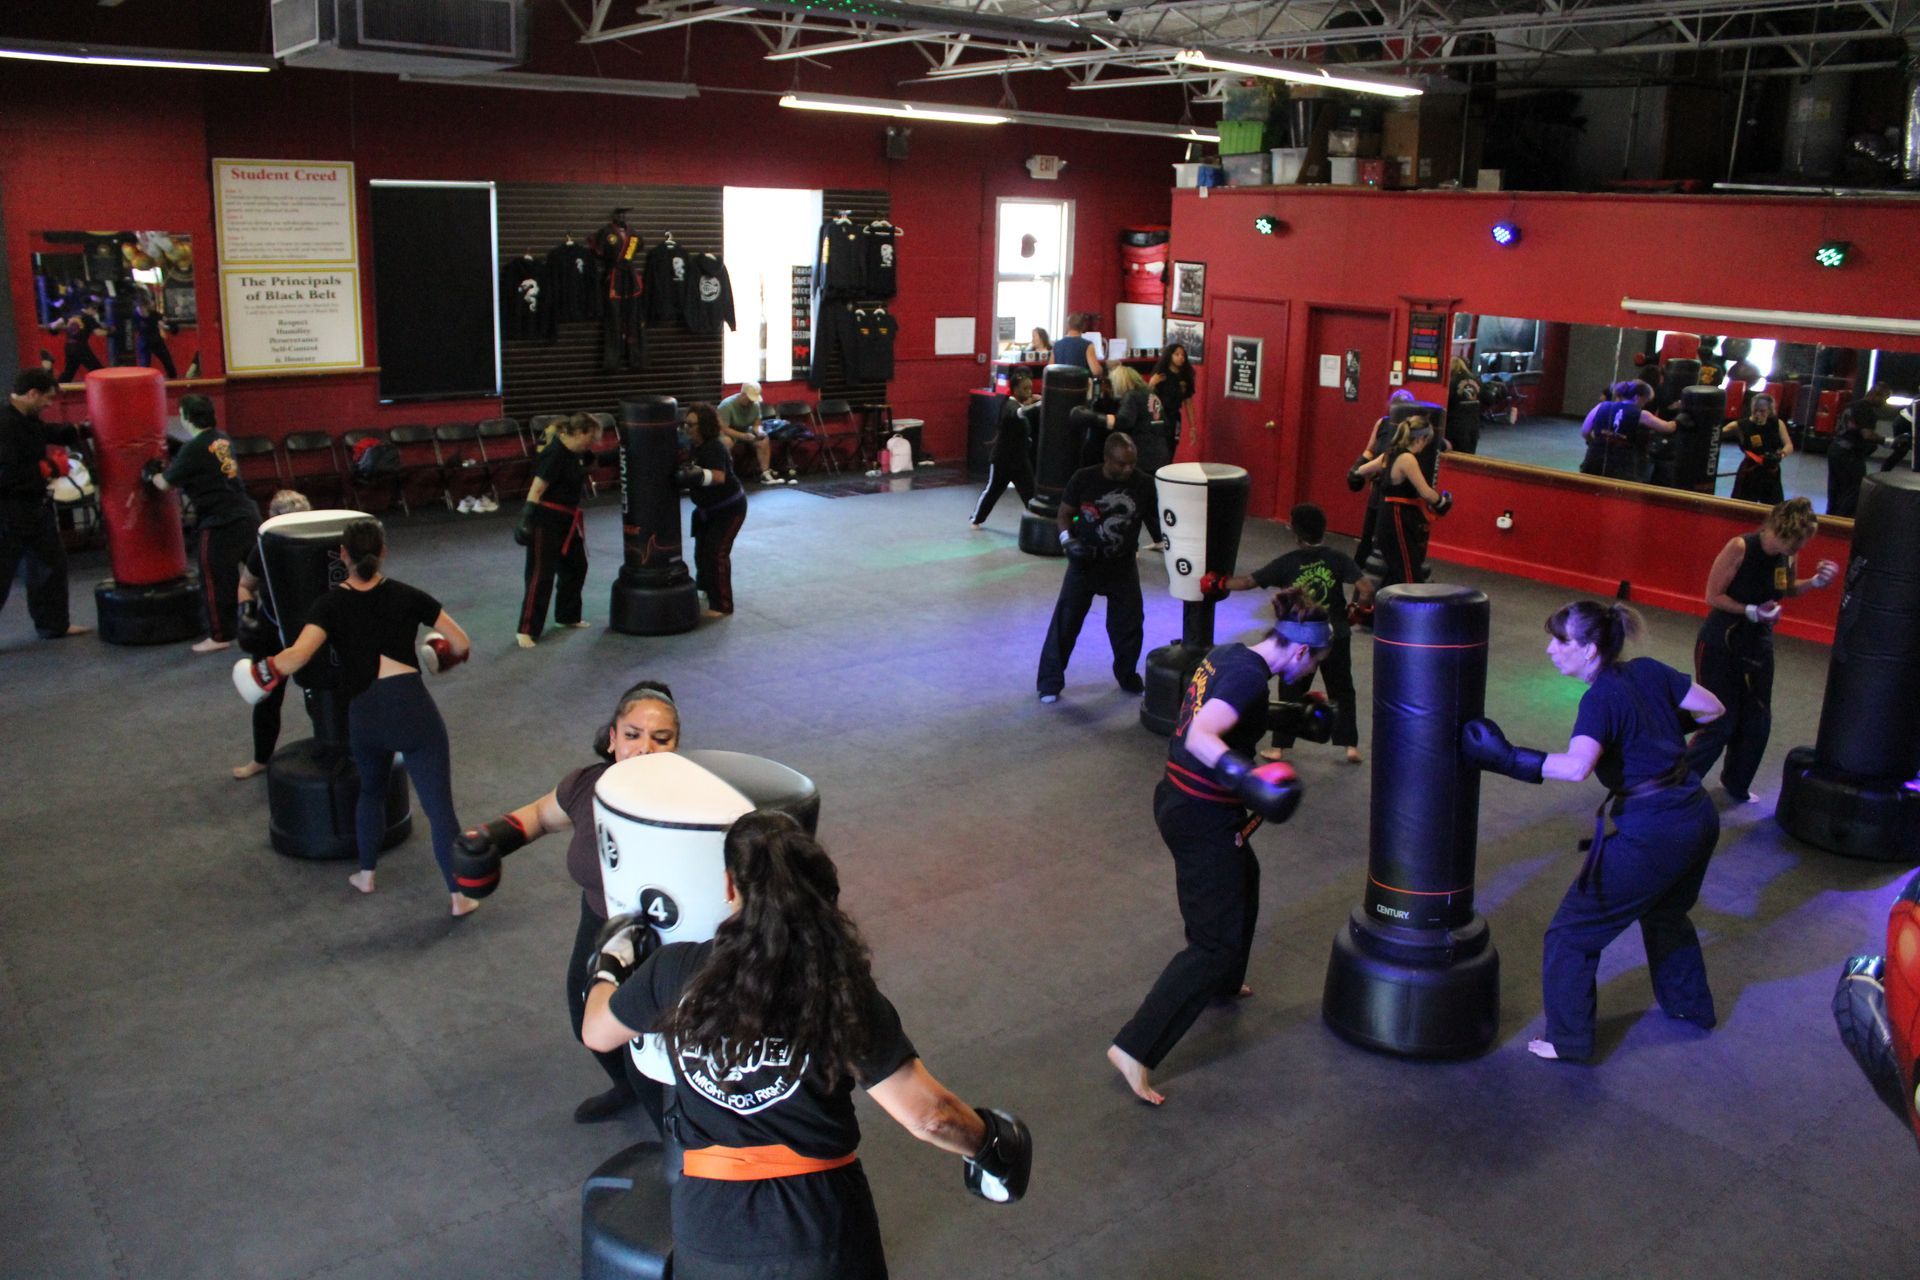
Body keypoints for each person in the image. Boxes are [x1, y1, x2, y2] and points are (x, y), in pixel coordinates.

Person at [581, 810, 1031, 1279]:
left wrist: (610, 964)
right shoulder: (836, 988)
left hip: (709, 1225)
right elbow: (929, 1115)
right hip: (818, 1226)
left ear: (730, 886)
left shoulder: (673, 970)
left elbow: (597, 1030)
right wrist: (989, 1145)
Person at [1462, 601, 1727, 1063]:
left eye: (1560, 641)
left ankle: (1569, 1040)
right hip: (1697, 817)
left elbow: (1577, 767)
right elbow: (1713, 709)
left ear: (1587, 650)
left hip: (1656, 833)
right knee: (1666, 914)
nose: (1549, 650)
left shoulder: (1600, 698)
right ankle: (1690, 1008)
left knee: (1570, 934)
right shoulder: (1646, 671)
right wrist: (1659, 722)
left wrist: (1505, 758)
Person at [1108, 589, 1328, 1104]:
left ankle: (1225, 982)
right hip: (1200, 817)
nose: (1312, 673)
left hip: (1178, 800)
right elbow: (1204, 734)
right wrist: (1249, 777)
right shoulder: (1250, 675)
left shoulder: (1233, 655)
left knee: (1243, 878)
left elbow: (1228, 708)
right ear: (1299, 652)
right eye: (1315, 664)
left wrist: (1289, 719)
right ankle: (1134, 1048)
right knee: (1212, 943)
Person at [451, 679, 684, 1125]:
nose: (644, 749)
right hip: (597, 921)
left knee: (646, 1049)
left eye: (661, 738)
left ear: (676, 746)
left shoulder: (690, 806)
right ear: (612, 739)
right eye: (632, 735)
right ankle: (625, 1089)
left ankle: (676, 1151)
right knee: (586, 1018)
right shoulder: (586, 787)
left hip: (660, 940)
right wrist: (490, 839)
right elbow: (539, 816)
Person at [236, 517, 476, 913]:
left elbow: (297, 656)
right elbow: (461, 641)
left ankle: (366, 875)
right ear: (383, 552)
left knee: (371, 791)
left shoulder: (328, 604)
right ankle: (458, 897)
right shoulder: (408, 595)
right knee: (439, 809)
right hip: (412, 709)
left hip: (365, 713)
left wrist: (261, 673)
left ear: (343, 555)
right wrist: (441, 655)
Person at [1684, 498, 1838, 803]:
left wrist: (1817, 582)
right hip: (1721, 641)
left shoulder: (1786, 555)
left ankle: (1736, 783)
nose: (1800, 549)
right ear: (1782, 531)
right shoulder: (1740, 547)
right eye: (1798, 542)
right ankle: (1677, 785)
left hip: (1758, 642)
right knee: (1721, 719)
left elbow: (1788, 588)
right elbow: (1712, 596)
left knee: (1757, 719)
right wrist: (1751, 610)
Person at [1215, 503, 1370, 764]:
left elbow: (1248, 582)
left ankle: (1280, 748)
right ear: (1324, 529)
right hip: (1336, 635)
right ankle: (1350, 746)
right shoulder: (1337, 558)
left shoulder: (1287, 563)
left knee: (1290, 689)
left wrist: (1217, 582)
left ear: (1295, 534)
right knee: (1342, 689)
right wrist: (1356, 611)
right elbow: (1366, 588)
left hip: (1300, 638)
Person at [1035, 432, 1164, 703]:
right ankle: (1049, 683)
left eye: (1132, 463)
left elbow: (1158, 517)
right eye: (1121, 464)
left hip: (1122, 565)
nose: (1128, 469)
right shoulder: (1084, 478)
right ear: (1107, 459)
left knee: (1129, 625)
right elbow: (1064, 515)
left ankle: (1127, 675)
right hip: (1085, 563)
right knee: (1066, 621)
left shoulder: (1142, 484)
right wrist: (1067, 541)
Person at [142, 395, 255, 653]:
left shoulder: (193, 449)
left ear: (185, 416)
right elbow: (203, 458)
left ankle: (220, 636)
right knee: (257, 575)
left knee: (215, 580)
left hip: (219, 522)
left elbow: (164, 484)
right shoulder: (220, 437)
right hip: (246, 515)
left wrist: (151, 474)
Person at [0, 369, 90, 640]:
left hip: (34, 508)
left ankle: (54, 625)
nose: (49, 405)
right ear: (32, 394)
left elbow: (45, 432)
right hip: (7, 512)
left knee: (50, 564)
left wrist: (79, 429)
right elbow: (4, 475)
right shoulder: (4, 424)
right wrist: (48, 469)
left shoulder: (26, 419)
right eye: (46, 399)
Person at [231, 490, 312, 780]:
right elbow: (245, 585)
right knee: (265, 696)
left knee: (322, 693)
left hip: (311, 632)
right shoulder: (263, 548)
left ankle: (338, 750)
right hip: (272, 626)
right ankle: (261, 759)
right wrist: (246, 613)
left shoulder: (317, 547)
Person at [513, 413, 598, 648]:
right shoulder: (555, 453)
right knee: (541, 574)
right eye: (590, 437)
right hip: (546, 520)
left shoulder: (574, 454)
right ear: (579, 432)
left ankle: (567, 616)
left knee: (576, 565)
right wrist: (526, 519)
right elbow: (537, 488)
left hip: (567, 520)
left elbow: (591, 463)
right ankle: (526, 630)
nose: (592, 443)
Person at [1353, 415, 1449, 587]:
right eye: (1427, 441)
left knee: (1395, 574)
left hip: (1388, 518)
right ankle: (1408, 613)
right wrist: (1443, 501)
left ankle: (1377, 612)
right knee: (1410, 576)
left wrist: (1357, 474)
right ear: (1421, 438)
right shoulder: (1407, 459)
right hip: (1397, 520)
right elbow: (1426, 492)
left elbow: (1361, 469)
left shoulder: (1388, 454)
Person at [681, 402, 748, 617]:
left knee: (716, 553)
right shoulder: (695, 446)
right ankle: (706, 589)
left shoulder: (714, 447)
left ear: (704, 426)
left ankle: (722, 605)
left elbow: (719, 477)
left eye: (691, 425)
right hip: (708, 510)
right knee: (701, 553)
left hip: (729, 509)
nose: (687, 428)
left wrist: (694, 475)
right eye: (686, 424)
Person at [1351, 389, 1417, 567]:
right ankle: (1356, 571)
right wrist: (1359, 464)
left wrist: (1361, 470)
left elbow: (1386, 460)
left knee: (1385, 536)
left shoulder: (1413, 431)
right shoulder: (1382, 423)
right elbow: (1371, 449)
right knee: (1368, 533)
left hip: (1396, 489)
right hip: (1377, 485)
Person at [970, 372, 1038, 528]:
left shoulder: (1020, 405)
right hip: (1003, 460)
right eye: (1025, 389)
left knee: (1030, 493)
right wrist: (1039, 404)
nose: (1028, 392)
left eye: (1030, 388)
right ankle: (976, 519)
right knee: (993, 491)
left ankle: (1036, 521)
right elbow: (1020, 413)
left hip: (1020, 460)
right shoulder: (1010, 406)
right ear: (1015, 389)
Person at [1579, 380, 1675, 483]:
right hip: (1621, 461)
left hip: (1594, 456)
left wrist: (1596, 442)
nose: (1643, 405)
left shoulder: (1600, 406)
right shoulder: (1642, 414)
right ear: (1637, 397)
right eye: (1644, 401)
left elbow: (1585, 431)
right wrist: (1680, 417)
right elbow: (1667, 427)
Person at [1828, 384, 1892, 518]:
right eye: (1884, 398)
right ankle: (1843, 520)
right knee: (1853, 489)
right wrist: (1887, 441)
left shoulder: (1849, 406)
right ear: (1876, 394)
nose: (1884, 403)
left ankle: (1831, 518)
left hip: (1836, 449)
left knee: (1835, 488)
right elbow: (1867, 435)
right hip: (1850, 454)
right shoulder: (1866, 410)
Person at [1724, 393, 1793, 506]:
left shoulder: (1777, 424)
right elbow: (1717, 432)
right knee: (1742, 507)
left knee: (1774, 508)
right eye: (1755, 410)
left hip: (1771, 470)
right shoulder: (1740, 425)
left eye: (1762, 411)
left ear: (1769, 411)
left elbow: (1789, 445)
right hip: (1750, 471)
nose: (1758, 414)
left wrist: (1781, 455)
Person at [718, 381, 786, 487]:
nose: (751, 401)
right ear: (743, 394)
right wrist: (743, 436)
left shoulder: (755, 405)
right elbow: (724, 429)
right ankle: (725, 474)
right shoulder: (726, 405)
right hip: (729, 432)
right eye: (749, 398)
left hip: (746, 430)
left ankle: (765, 473)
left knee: (764, 439)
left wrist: (760, 431)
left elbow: (756, 424)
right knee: (725, 442)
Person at [1107, 365, 1168, 477]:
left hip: (1142, 455)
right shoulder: (1152, 395)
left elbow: (1124, 422)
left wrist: (1098, 418)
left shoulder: (1131, 396)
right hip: (1160, 453)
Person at [1148, 343, 1195, 450]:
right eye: (1177, 354)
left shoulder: (1185, 377)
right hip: (1159, 416)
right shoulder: (1160, 374)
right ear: (1170, 356)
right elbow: (1147, 396)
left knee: (1172, 446)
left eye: (1183, 355)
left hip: (1175, 416)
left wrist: (1192, 426)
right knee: (1159, 447)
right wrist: (1151, 383)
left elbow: (1188, 402)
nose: (1180, 357)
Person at [1049, 312, 1105, 379]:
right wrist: (1102, 369)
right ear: (1083, 327)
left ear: (1068, 326)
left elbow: (1050, 369)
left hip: (1059, 387)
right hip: (1079, 387)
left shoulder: (1056, 345)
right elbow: (1096, 372)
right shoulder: (1087, 345)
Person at [1446, 359, 1483, 455]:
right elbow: (1485, 398)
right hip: (1473, 426)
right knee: (1469, 457)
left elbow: (1446, 403)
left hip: (1456, 427)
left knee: (1454, 457)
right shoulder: (1476, 380)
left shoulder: (1452, 382)